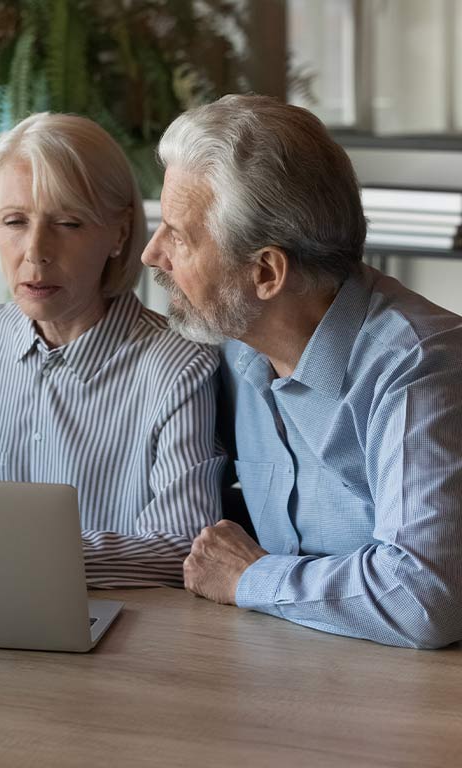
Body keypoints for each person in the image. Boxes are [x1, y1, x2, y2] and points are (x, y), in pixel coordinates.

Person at [143, 93, 462, 648]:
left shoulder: (420, 368)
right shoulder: (239, 346)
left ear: (266, 272)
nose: (151, 254)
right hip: (286, 672)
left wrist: (250, 577)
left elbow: (423, 597)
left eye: (180, 236)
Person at [0, 112, 223, 588]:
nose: (35, 251)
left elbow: (185, 547)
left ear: (118, 234)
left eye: (68, 223)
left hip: (121, 632)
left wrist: (26, 558)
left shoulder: (178, 367)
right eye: (14, 221)